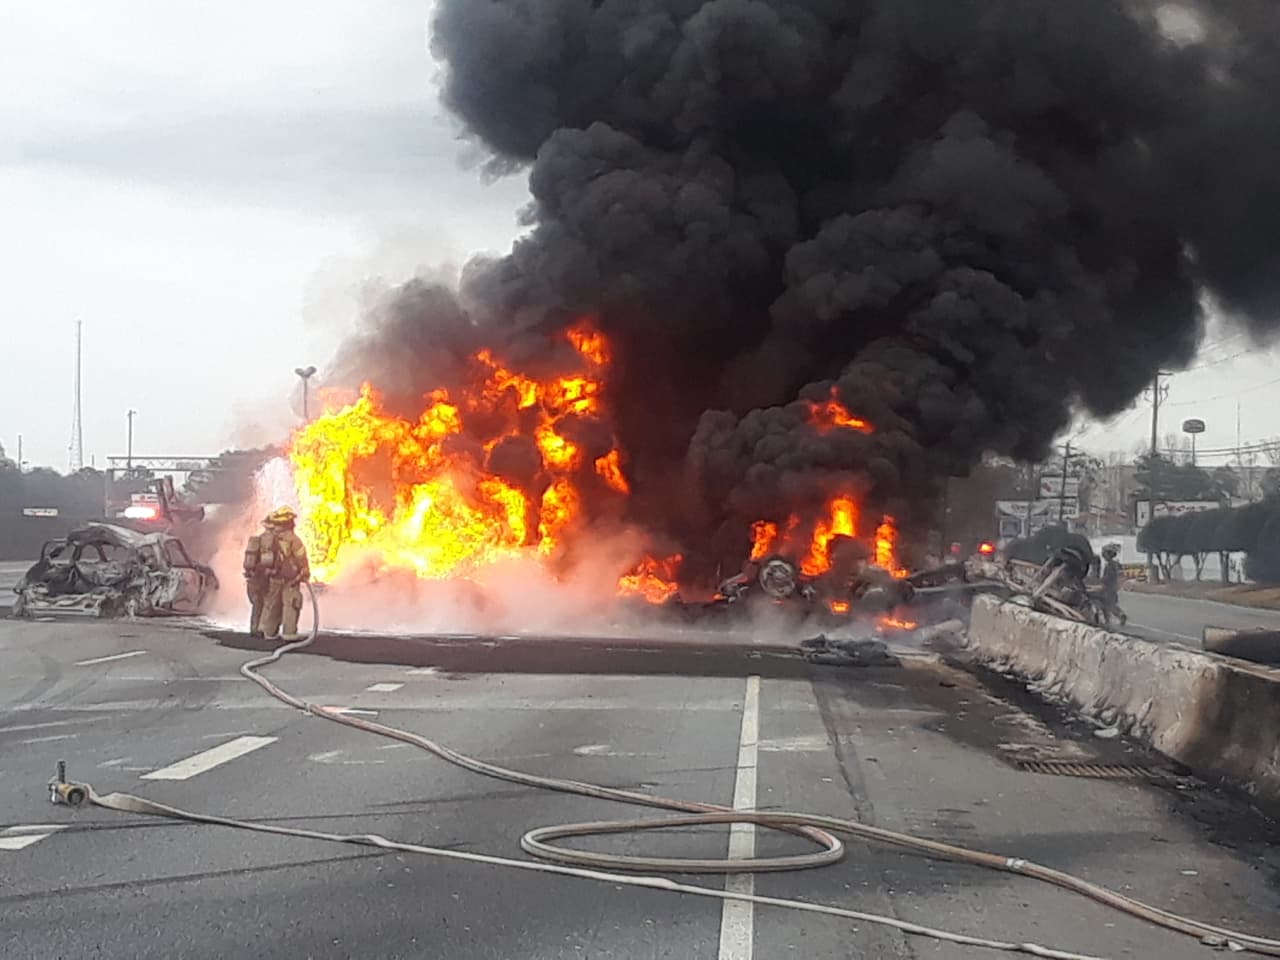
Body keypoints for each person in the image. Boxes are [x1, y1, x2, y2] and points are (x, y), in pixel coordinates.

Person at [256, 506, 311, 641]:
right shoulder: (293, 539)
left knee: (273, 604)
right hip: (290, 579)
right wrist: (305, 571)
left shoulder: (268, 538)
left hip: (273, 577)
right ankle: (289, 633)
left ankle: (269, 632)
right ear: (289, 522)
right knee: (291, 604)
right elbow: (300, 558)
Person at [242, 519, 271, 638]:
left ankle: (255, 628)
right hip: (263, 578)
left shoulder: (257, 540)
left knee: (257, 604)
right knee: (265, 603)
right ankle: (262, 629)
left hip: (253, 578)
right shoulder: (270, 543)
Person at [1100, 545, 1127, 627]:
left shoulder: (1110, 566)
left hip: (1109, 587)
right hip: (1112, 587)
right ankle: (1116, 616)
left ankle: (1117, 616)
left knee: (1108, 604)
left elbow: (1108, 577)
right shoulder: (1114, 564)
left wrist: (1102, 580)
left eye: (1104, 554)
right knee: (1109, 604)